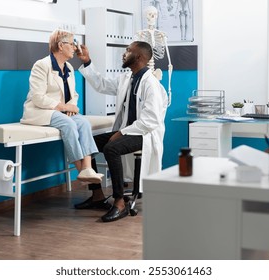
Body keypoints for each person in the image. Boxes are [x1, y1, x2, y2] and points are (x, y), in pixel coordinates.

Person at [75, 41, 168, 222]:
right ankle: (98, 196)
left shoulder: (152, 84)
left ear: (139, 57)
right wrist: (87, 62)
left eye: (128, 51)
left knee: (112, 148)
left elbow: (151, 120)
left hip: (145, 134)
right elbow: (102, 85)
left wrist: (122, 132)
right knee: (89, 142)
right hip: (129, 130)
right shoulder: (127, 78)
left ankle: (119, 202)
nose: (124, 54)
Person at [20, 29, 104, 185]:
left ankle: (87, 168)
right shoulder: (42, 65)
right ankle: (81, 171)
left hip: (63, 111)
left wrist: (71, 105)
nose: (75, 48)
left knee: (84, 123)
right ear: (60, 45)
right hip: (41, 111)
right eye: (72, 44)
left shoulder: (69, 68)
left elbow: (74, 94)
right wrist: (63, 107)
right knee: (69, 123)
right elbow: (38, 97)